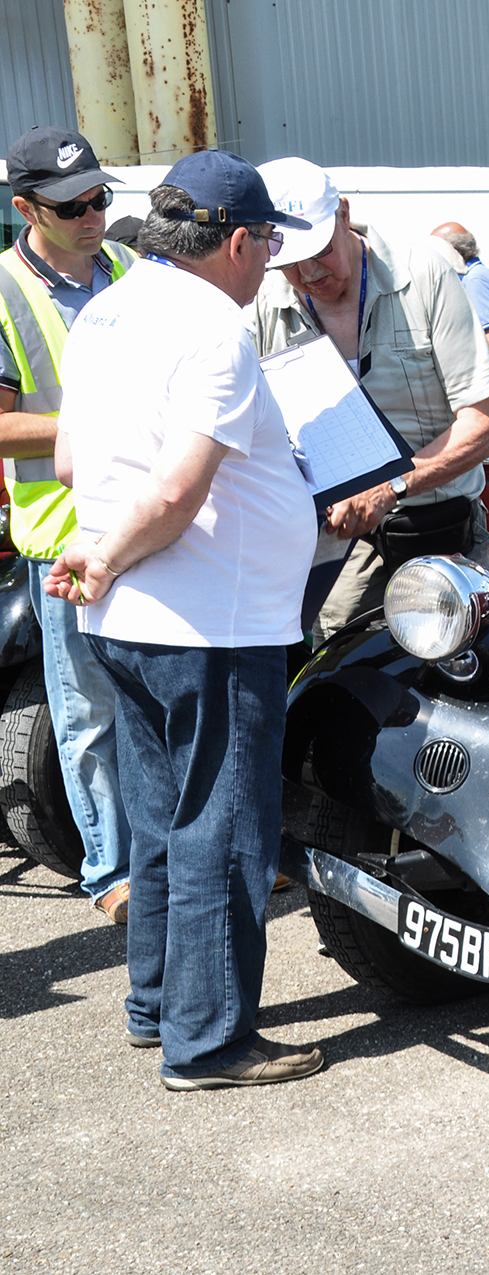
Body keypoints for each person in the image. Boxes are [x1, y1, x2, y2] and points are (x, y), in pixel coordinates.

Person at [45, 149, 323, 1089]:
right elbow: (174, 492)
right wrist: (114, 553)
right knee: (227, 823)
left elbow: (77, 466)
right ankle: (208, 1040)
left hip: (127, 615)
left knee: (163, 818)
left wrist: (99, 561)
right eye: (269, 245)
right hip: (209, 615)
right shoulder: (212, 328)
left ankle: (159, 1003)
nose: (269, 265)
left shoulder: (105, 309)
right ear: (237, 240)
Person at [253, 159, 489, 642]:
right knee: (339, 693)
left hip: (440, 536)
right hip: (335, 547)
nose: (308, 273)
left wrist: (388, 487)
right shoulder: (265, 299)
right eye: (288, 261)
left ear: (344, 213)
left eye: (321, 252)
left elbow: (486, 425)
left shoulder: (424, 272)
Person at [0, 126, 135, 921]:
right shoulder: (4, 293)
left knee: (157, 703)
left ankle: (177, 850)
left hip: (149, 524)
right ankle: (111, 872)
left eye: (99, 198)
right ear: (26, 208)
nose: (94, 215)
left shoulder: (126, 269)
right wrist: (96, 427)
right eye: (72, 206)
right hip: (64, 537)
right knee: (87, 712)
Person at [430, 221, 489, 374]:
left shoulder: (474, 279)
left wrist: (469, 380)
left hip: (481, 381)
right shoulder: (475, 276)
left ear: (452, 250)